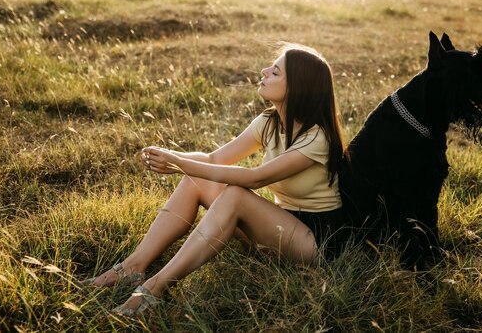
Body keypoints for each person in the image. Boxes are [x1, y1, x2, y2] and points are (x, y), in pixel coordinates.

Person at [85, 43, 349, 317]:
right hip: (279, 224)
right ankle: (133, 267)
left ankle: (153, 289)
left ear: (297, 87)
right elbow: (213, 159)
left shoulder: (317, 137)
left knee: (234, 194)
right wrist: (172, 155)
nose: (264, 71)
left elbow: (256, 179)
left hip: (316, 241)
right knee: (195, 179)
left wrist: (178, 164)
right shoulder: (269, 122)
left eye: (275, 71)